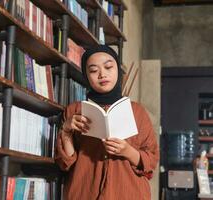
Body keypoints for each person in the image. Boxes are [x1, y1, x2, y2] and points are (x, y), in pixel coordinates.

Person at [55, 45, 159, 200]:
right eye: (93, 70)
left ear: (117, 69)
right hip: (84, 192)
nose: (102, 74)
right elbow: (66, 163)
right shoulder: (74, 110)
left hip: (129, 193)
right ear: (86, 76)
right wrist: (66, 131)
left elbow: (151, 161)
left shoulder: (137, 112)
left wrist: (127, 151)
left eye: (108, 67)